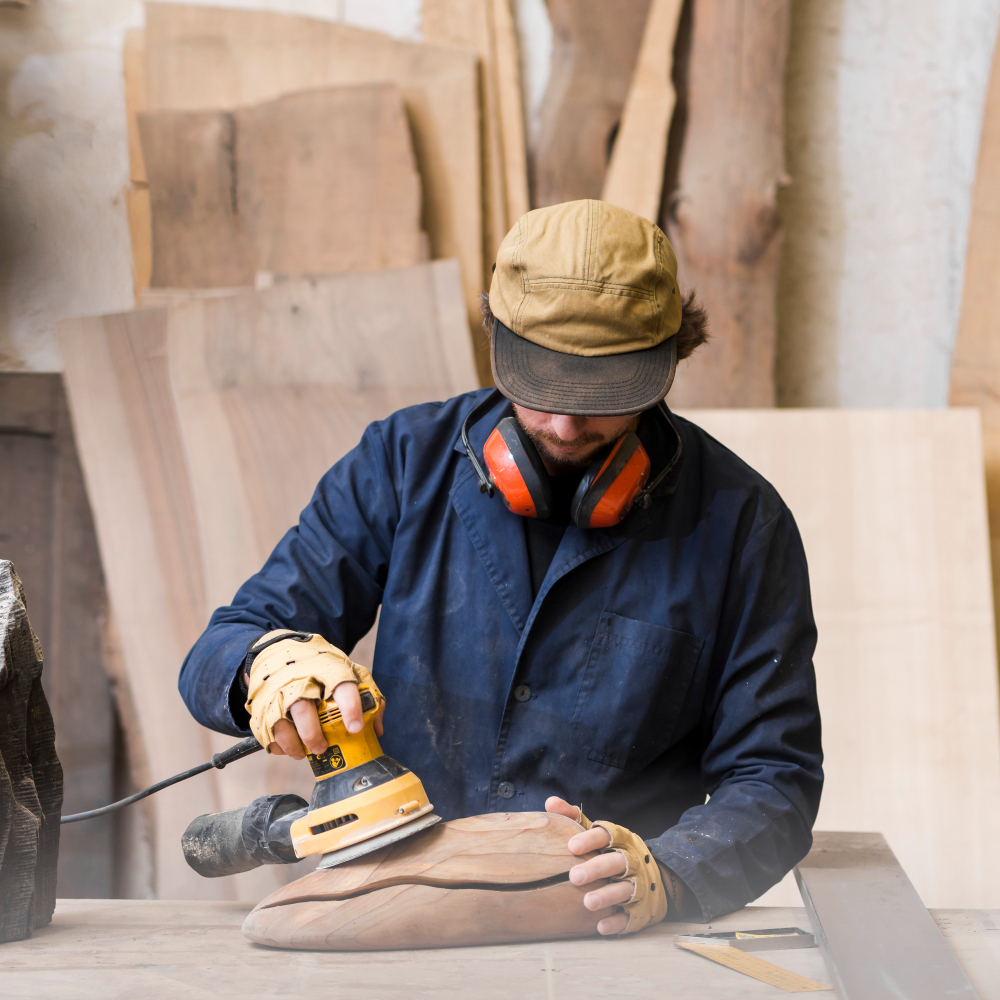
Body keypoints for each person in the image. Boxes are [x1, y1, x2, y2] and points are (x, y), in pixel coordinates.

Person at [180, 199, 822, 935]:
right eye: (543, 387)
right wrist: (264, 664)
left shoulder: (742, 524)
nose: (565, 426)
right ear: (497, 337)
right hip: (399, 908)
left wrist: (673, 873)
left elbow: (775, 778)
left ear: (670, 360)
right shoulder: (402, 464)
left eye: (602, 397)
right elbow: (222, 645)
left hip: (608, 928)